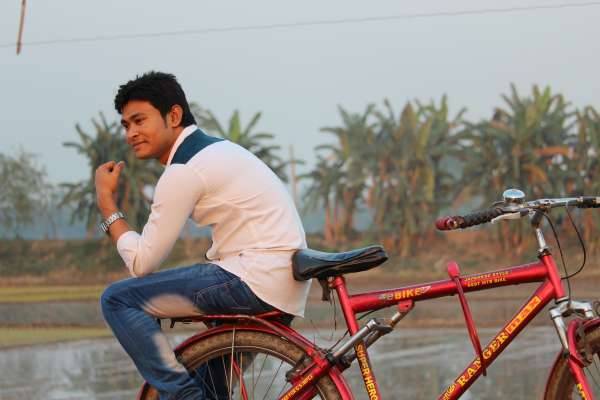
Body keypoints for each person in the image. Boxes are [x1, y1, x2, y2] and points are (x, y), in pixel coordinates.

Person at [96, 71, 310, 399]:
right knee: (210, 388)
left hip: (253, 279)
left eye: (139, 120)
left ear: (174, 116)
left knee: (118, 299)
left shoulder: (185, 168)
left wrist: (106, 203)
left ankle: (182, 396)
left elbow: (141, 263)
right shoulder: (217, 150)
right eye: (126, 125)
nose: (131, 133)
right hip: (282, 283)